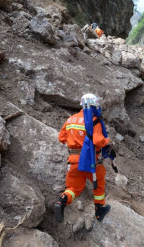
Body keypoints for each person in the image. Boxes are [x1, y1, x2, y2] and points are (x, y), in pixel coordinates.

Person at [55, 93, 111, 223]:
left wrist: (75, 140)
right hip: (91, 160)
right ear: (94, 105)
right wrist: (107, 141)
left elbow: (61, 138)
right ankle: (99, 210)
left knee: (73, 188)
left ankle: (62, 201)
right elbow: (97, 141)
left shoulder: (70, 119)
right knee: (99, 183)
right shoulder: (93, 119)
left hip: (73, 160)